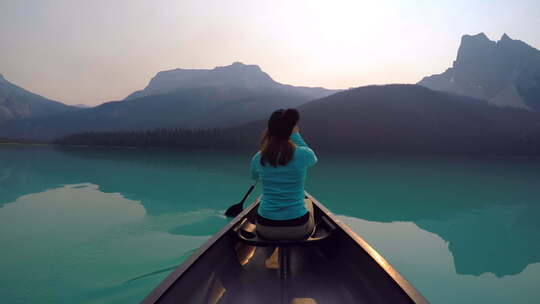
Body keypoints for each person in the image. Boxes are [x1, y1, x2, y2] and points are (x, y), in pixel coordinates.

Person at [250, 108, 318, 240]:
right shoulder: (304, 154)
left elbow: (255, 177)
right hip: (297, 227)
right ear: (292, 129)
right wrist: (296, 135)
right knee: (308, 203)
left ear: (270, 130)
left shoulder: (258, 158)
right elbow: (313, 160)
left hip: (265, 227)